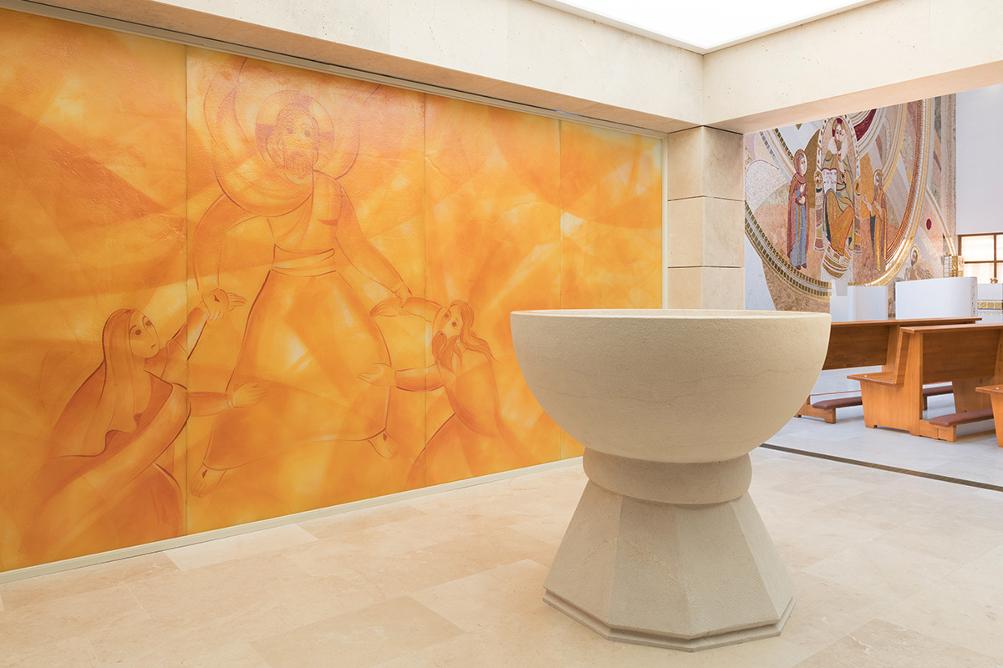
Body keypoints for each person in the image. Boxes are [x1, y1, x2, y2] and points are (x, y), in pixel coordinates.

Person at [191, 78, 413, 497]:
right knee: (257, 374)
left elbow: (357, 245)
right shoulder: (261, 185)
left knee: (366, 355)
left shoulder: (332, 189)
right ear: (275, 139)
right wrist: (209, 286)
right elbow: (209, 231)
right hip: (284, 288)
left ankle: (370, 430)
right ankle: (220, 458)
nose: (300, 139)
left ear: (319, 145)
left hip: (330, 285)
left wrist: (396, 283)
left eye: (309, 132)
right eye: (292, 130)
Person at [22, 297, 258, 564]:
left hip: (142, 482)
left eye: (148, 324)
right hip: (115, 487)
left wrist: (202, 311)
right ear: (120, 345)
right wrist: (229, 400)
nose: (149, 334)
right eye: (137, 332)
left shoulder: (144, 369)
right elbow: (179, 402)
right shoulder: (112, 386)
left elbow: (175, 353)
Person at [786, 149, 810, 270]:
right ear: (796, 164)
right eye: (802, 162)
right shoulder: (795, 179)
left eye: (805, 162)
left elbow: (807, 195)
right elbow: (791, 196)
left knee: (803, 234)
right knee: (797, 235)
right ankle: (795, 260)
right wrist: (798, 195)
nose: (804, 165)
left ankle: (802, 259)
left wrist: (805, 198)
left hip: (803, 212)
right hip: (796, 213)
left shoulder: (805, 180)